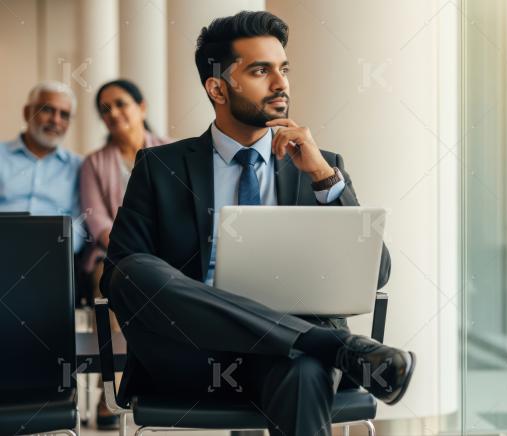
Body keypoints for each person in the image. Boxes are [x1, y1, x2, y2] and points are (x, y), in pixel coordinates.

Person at [100, 11, 415, 436]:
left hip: (288, 360)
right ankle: (330, 345)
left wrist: (323, 177)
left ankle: (315, 344)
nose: (280, 83)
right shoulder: (161, 167)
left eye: (283, 69)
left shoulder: (320, 167)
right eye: (260, 70)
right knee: (133, 271)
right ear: (218, 87)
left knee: (304, 368)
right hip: (194, 356)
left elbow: (375, 272)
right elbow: (120, 277)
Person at [80, 79, 171, 430]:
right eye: (105, 109)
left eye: (121, 104)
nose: (114, 113)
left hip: (163, 254)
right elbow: (96, 217)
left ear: (142, 107)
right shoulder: (94, 163)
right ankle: (115, 391)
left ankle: (163, 379)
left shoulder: (169, 151)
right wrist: (130, 249)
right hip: (110, 256)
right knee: (119, 278)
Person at [0, 81, 84, 253]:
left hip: (52, 254)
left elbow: (80, 221)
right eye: (47, 109)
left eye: (64, 115)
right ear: (26, 112)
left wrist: (60, 246)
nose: (55, 120)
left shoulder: (78, 166)